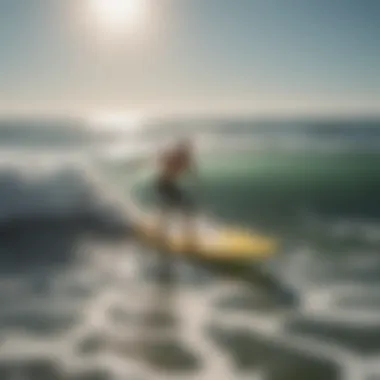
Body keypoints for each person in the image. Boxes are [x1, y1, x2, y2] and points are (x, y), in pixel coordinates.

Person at [154, 138, 198, 249]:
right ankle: (162, 234)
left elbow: (191, 171)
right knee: (171, 208)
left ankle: (187, 234)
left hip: (171, 185)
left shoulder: (186, 159)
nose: (188, 152)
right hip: (163, 184)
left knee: (185, 207)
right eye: (186, 149)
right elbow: (162, 160)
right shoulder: (174, 156)